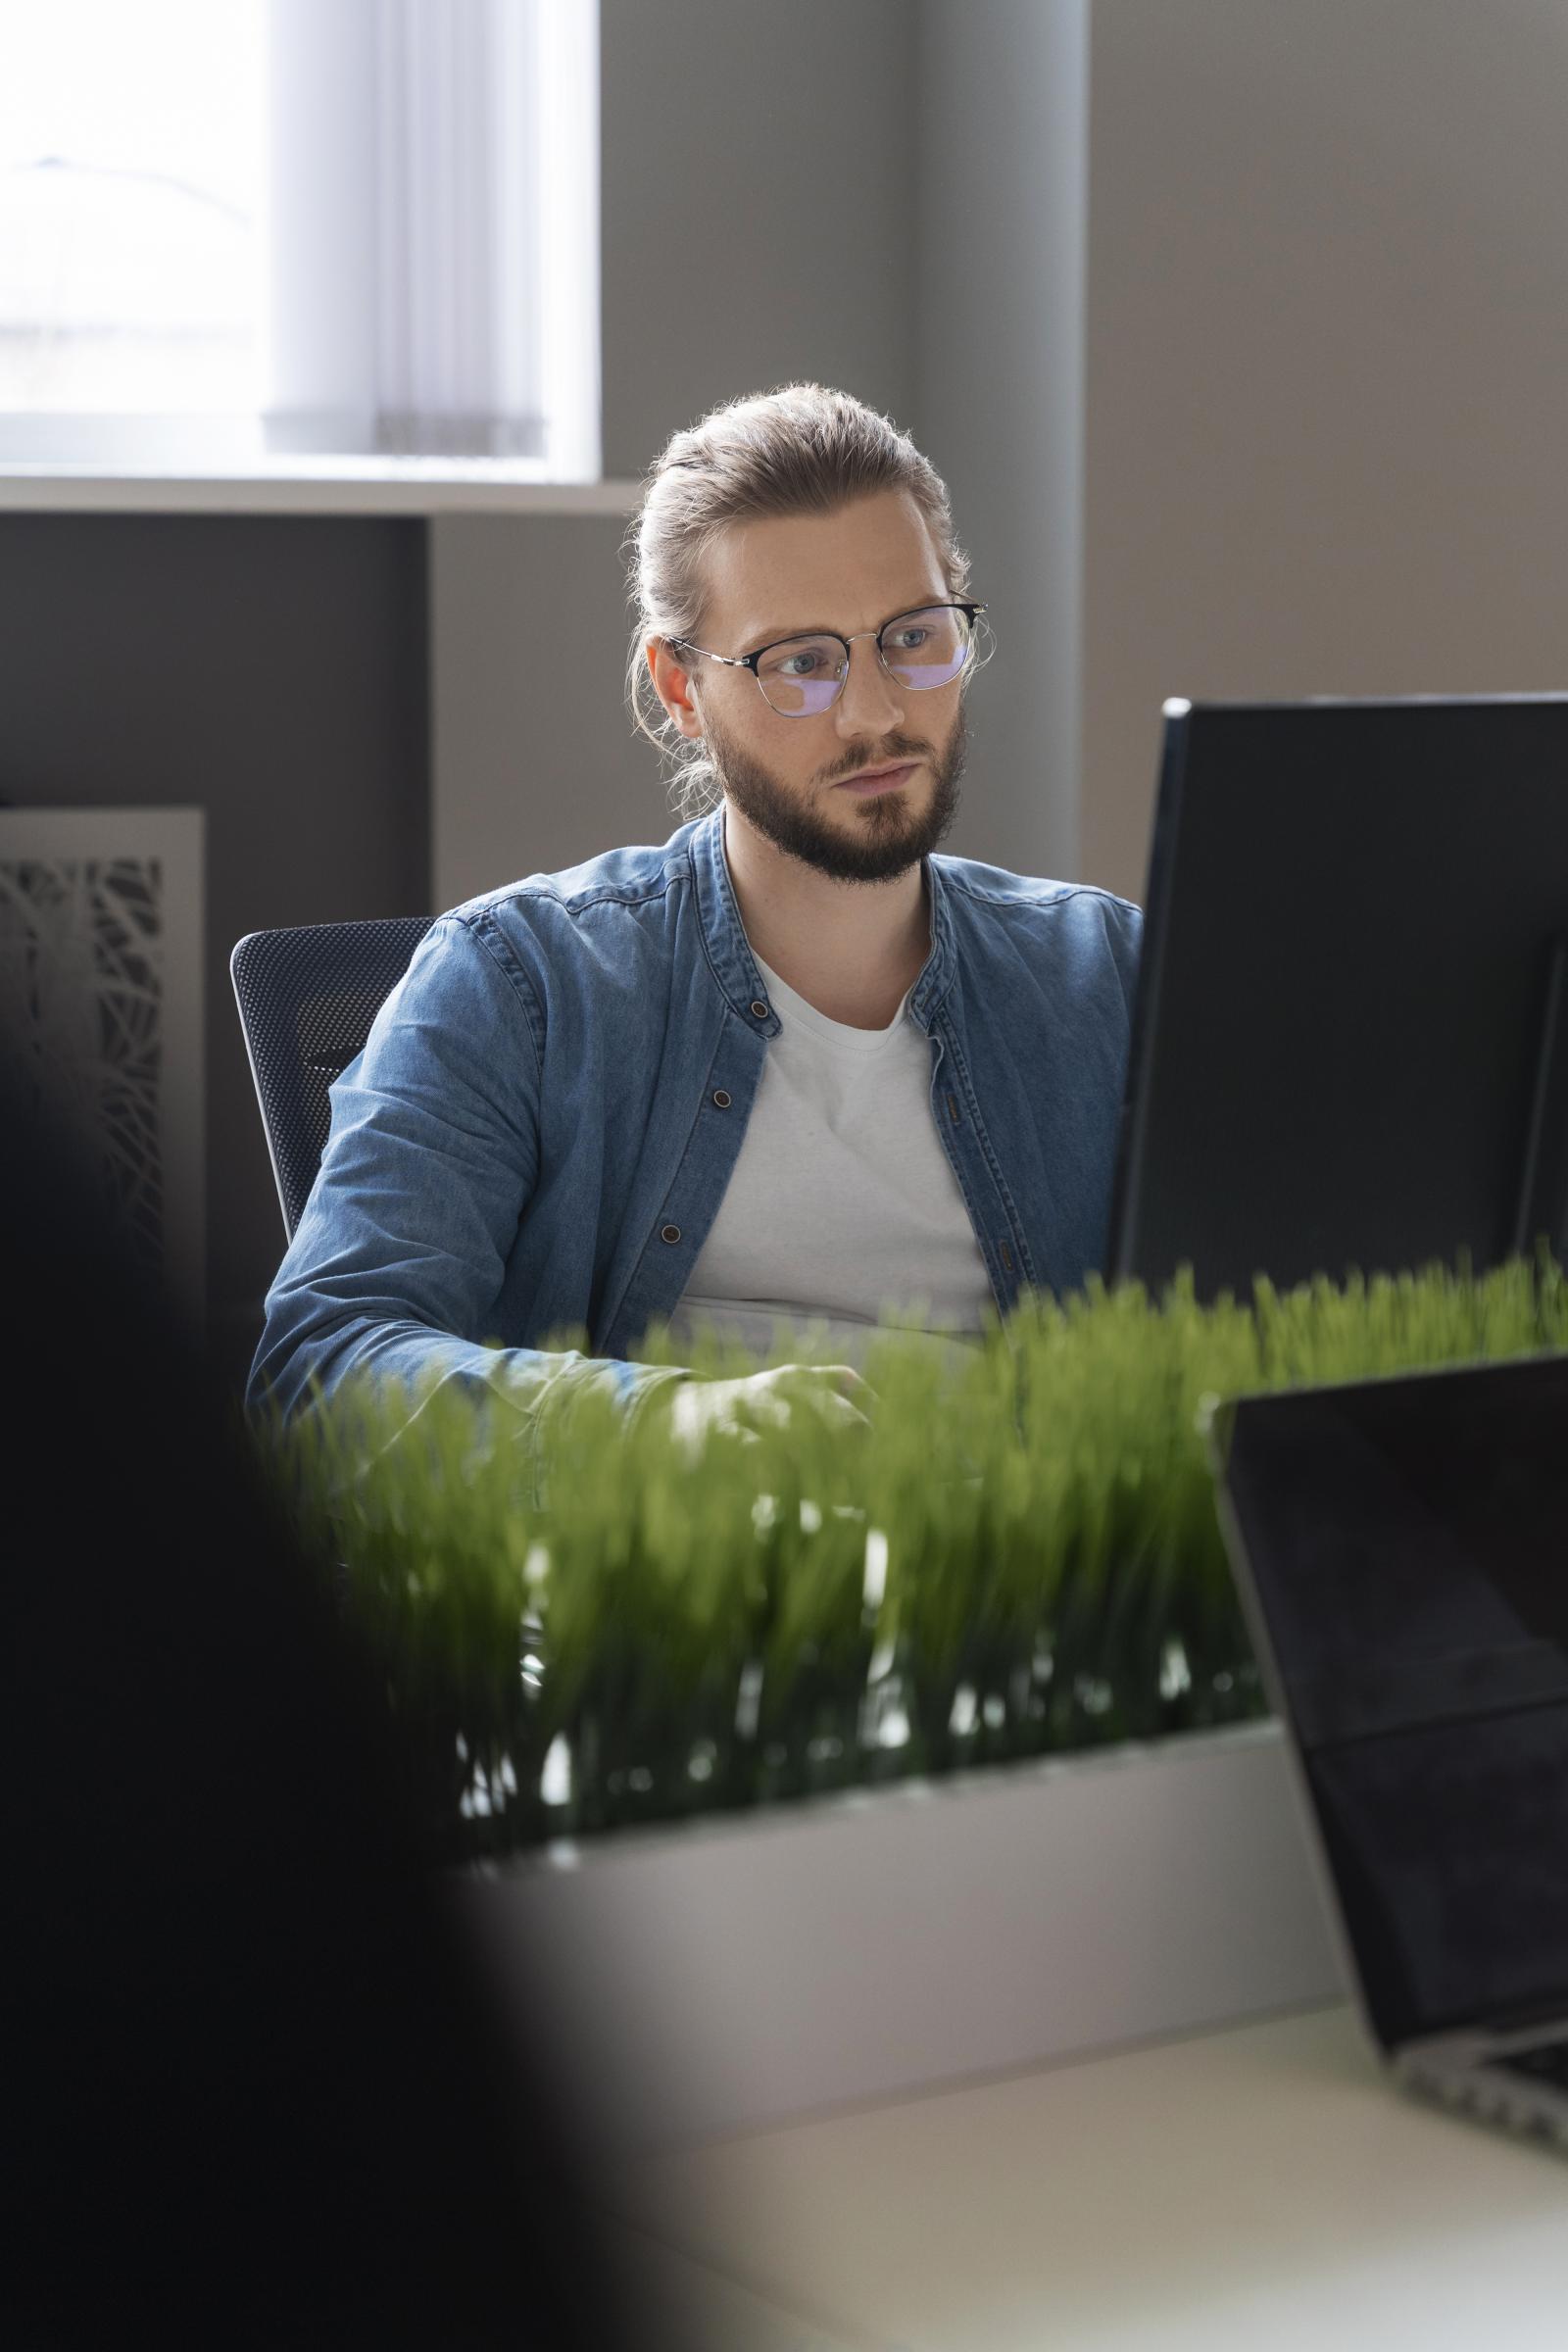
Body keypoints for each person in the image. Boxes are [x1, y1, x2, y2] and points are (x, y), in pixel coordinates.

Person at [248, 382, 1141, 1449]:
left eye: (912, 635)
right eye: (799, 664)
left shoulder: (1113, 978)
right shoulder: (517, 984)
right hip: (673, 1593)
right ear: (679, 689)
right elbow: (320, 1372)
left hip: (1027, 1596)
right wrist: (676, 1431)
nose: (875, 713)